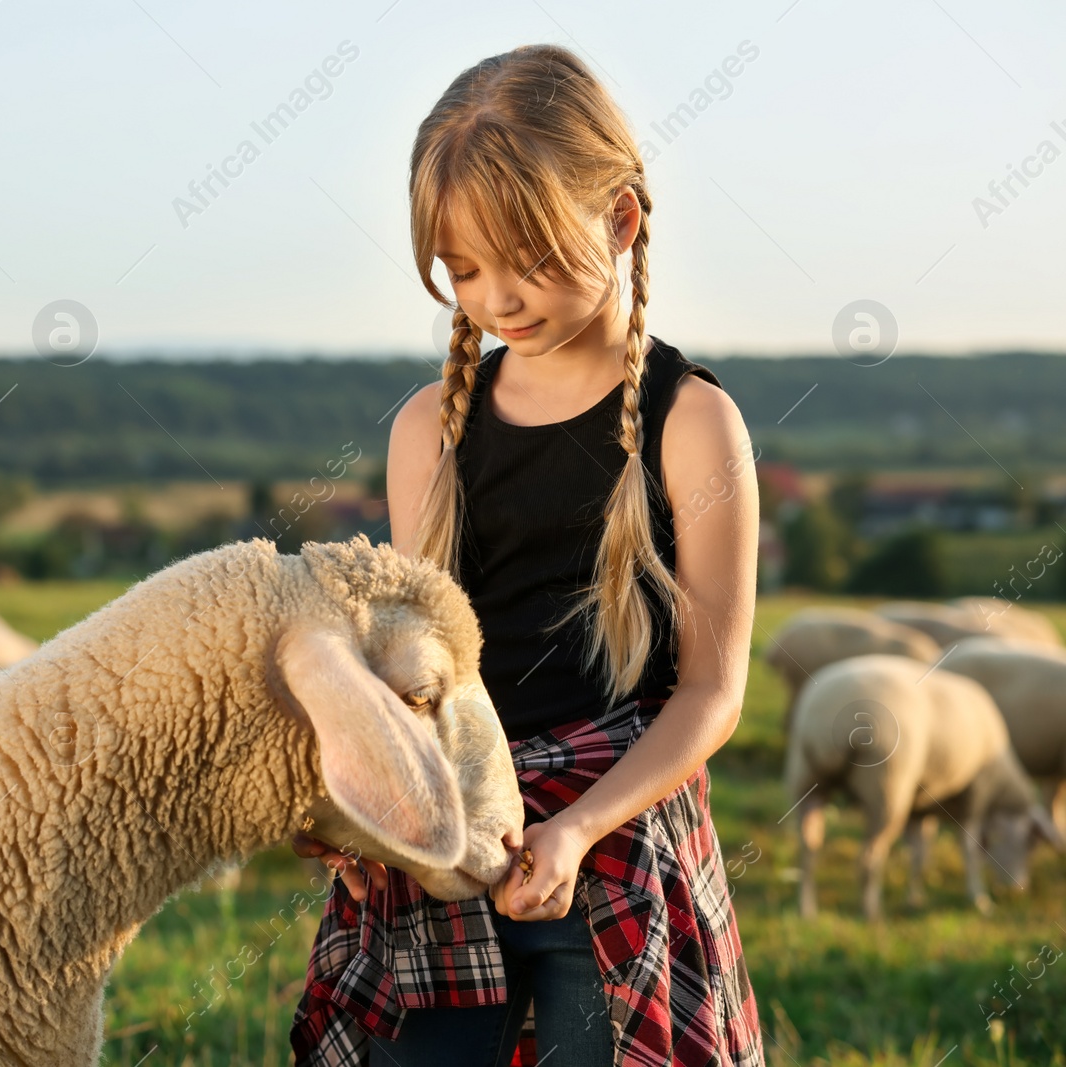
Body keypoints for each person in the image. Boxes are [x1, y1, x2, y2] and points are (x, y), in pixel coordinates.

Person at [289, 44, 765, 1067]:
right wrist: (360, 797)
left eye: (531, 261)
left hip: (615, 853)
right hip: (448, 839)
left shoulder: (692, 423)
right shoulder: (430, 429)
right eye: (462, 269)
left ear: (621, 219)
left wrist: (577, 828)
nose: (496, 297)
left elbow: (710, 693)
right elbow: (422, 673)